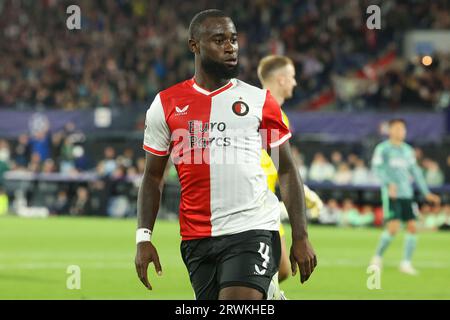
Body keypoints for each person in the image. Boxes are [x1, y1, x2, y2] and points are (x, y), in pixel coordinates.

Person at [135, 9, 317, 300]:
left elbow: (286, 169)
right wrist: (144, 238)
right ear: (194, 46)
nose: (230, 46)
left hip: (252, 228)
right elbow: (153, 177)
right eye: (219, 40)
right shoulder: (165, 104)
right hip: (196, 238)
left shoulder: (259, 101)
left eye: (233, 39)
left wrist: (301, 236)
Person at [257, 55, 323, 295]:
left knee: (283, 269)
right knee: (273, 272)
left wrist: (300, 191)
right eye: (293, 77)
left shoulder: (277, 113)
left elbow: (280, 165)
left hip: (268, 202)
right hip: (254, 204)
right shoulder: (258, 109)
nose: (295, 83)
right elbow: (275, 165)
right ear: (282, 79)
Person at [370, 119, 440, 275]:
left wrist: (426, 192)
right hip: (391, 194)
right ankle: (377, 257)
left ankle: (406, 263)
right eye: (397, 128)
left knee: (412, 227)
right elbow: (377, 170)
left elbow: (416, 172)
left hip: (406, 193)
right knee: (393, 229)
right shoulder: (383, 149)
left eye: (403, 129)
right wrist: (389, 184)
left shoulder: (408, 151)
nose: (400, 131)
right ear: (390, 130)